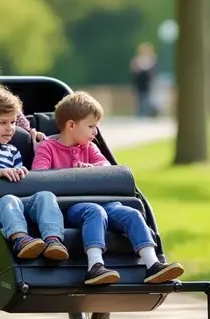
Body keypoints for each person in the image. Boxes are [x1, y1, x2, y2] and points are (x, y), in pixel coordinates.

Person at [32, 91, 185, 285]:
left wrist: (92, 169)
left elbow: (106, 167)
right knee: (95, 211)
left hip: (105, 201)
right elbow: (39, 176)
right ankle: (95, 266)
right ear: (71, 125)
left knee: (131, 213)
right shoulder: (48, 147)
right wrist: (71, 174)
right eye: (91, 126)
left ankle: (153, 264)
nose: (95, 132)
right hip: (70, 206)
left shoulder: (89, 147)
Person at [0, 84, 69, 261]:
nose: (10, 128)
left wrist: (21, 172)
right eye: (2, 123)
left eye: (13, 122)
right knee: (9, 200)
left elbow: (18, 179)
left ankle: (53, 240)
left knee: (45, 196)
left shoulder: (12, 151)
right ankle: (20, 239)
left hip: (19, 200)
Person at [129, 42, 158, 118]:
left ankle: (145, 114)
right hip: (139, 82)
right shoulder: (137, 59)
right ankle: (140, 114)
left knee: (146, 98)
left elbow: (153, 72)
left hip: (147, 83)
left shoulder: (151, 60)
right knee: (139, 98)